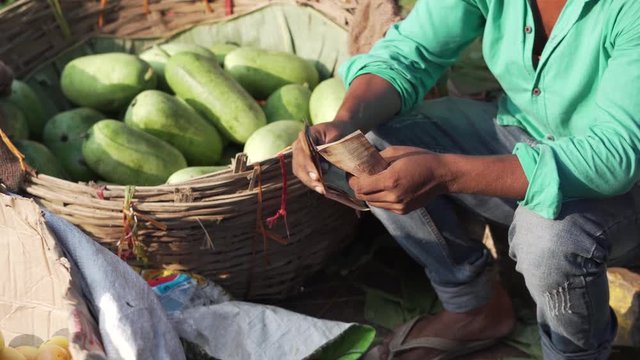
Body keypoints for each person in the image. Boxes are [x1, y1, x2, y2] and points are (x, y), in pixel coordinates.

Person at [292, 0, 640, 359]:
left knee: (549, 237)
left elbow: (614, 155)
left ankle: (577, 354)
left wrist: (446, 173)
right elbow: (413, 51)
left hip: (628, 181)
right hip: (529, 131)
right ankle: (475, 308)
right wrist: (346, 124)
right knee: (376, 144)